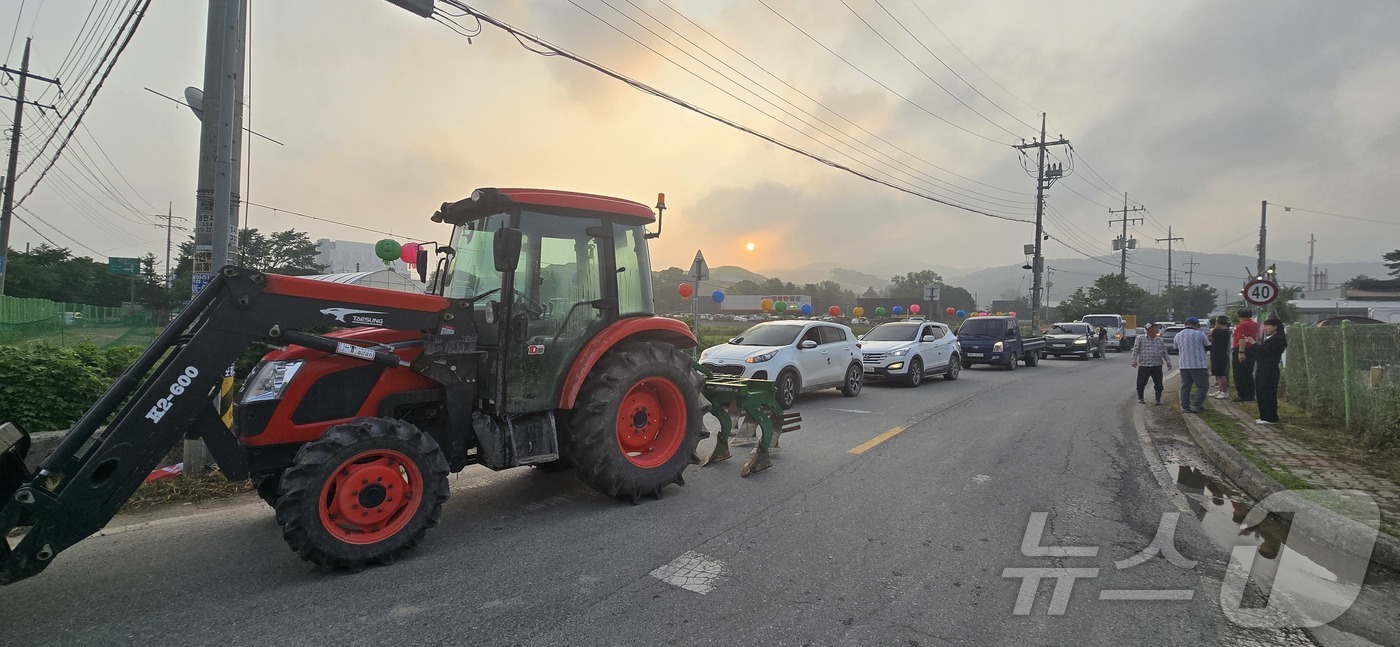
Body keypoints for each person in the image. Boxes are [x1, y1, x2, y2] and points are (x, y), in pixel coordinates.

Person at [1241, 317, 1287, 425]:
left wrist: (1253, 343)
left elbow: (1264, 352)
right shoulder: (1271, 338)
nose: (1266, 328)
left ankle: (1270, 417)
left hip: (1269, 368)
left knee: (1267, 391)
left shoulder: (1277, 339)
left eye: (1268, 326)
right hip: (1263, 366)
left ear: (1275, 327)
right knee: (1261, 390)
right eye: (1265, 326)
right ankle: (1264, 415)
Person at [1174, 317, 1212, 413]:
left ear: (1185, 324)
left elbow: (1176, 349)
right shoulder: (1200, 334)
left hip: (1184, 364)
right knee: (1203, 386)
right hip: (1198, 365)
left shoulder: (1178, 335)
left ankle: (1185, 407)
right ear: (1197, 325)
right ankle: (1196, 405)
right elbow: (1208, 347)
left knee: (1185, 386)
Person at [1131, 323, 1172, 404]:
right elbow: (1135, 350)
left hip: (1157, 365)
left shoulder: (1160, 340)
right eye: (1156, 328)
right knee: (1141, 383)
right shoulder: (1140, 338)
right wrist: (1134, 360)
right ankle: (1141, 398)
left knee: (1158, 383)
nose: (1157, 329)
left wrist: (1168, 361)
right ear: (1150, 329)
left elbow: (1164, 352)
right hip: (1144, 365)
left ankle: (1158, 399)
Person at [1231, 309, 1261, 402]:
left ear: (1239, 316)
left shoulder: (1242, 325)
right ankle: (1250, 394)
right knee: (1248, 373)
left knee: (1239, 373)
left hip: (1242, 349)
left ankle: (1243, 395)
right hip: (1251, 349)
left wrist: (1241, 352)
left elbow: (1242, 338)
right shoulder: (1255, 324)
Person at [1209, 316, 1231, 399]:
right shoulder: (1223, 331)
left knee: (1221, 374)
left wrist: (1213, 330)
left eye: (1216, 322)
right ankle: (1220, 389)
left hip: (1220, 354)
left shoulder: (1222, 332)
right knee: (1218, 374)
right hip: (1217, 354)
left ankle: (1224, 392)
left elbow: (1209, 337)